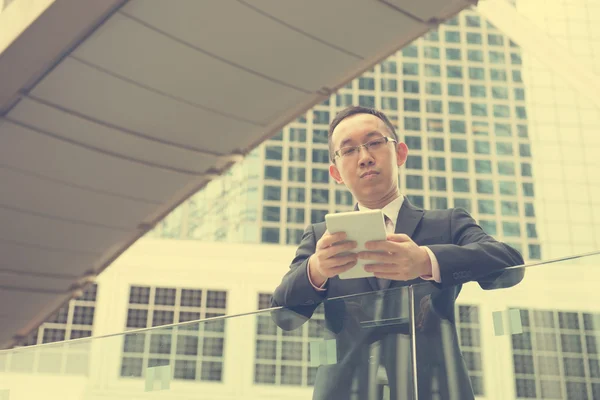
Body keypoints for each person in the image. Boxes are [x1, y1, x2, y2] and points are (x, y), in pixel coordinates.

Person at [271, 106, 525, 400]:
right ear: (336, 172)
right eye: (349, 150)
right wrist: (316, 270)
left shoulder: (447, 223)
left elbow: (510, 266)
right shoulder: (321, 238)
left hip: (432, 390)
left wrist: (426, 261)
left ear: (400, 153)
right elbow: (283, 316)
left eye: (375, 143)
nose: (364, 157)